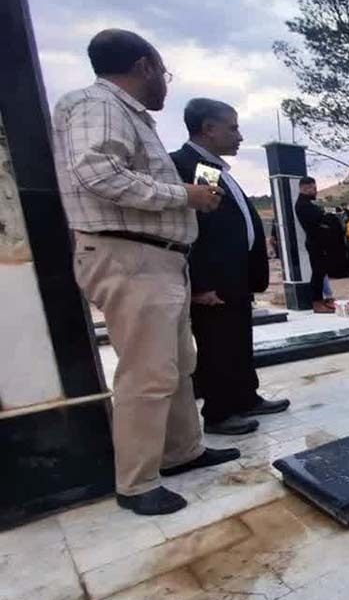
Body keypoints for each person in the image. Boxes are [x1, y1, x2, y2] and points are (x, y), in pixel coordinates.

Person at [53, 29, 239, 516]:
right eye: (163, 72)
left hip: (158, 258)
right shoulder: (97, 104)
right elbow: (97, 173)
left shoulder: (130, 116)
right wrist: (184, 195)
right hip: (129, 256)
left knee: (176, 365)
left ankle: (181, 451)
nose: (164, 84)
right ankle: (136, 483)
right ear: (144, 66)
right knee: (147, 372)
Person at [170, 98, 290, 436]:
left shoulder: (211, 168)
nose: (239, 137)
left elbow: (222, 221)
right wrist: (200, 283)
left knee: (237, 339)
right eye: (233, 128)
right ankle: (220, 412)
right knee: (216, 345)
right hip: (214, 279)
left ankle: (245, 397)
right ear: (209, 129)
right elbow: (193, 229)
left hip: (235, 276)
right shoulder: (186, 166)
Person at [295, 177, 337, 313]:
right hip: (315, 243)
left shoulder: (307, 204)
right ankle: (317, 302)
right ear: (305, 188)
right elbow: (317, 222)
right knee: (318, 273)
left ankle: (324, 299)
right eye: (313, 188)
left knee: (321, 272)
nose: (316, 191)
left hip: (319, 242)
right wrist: (326, 222)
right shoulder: (303, 205)